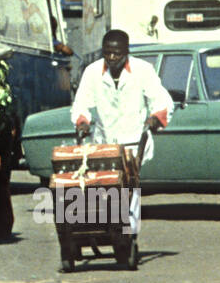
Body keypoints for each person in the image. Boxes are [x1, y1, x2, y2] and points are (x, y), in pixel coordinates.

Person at [69, 29, 173, 241]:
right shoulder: (92, 71)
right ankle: (106, 229)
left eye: (117, 53)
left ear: (126, 52)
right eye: (108, 53)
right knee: (104, 184)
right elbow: (81, 103)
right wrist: (82, 122)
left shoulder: (143, 70)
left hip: (133, 140)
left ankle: (129, 235)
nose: (112, 58)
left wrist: (155, 118)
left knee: (130, 184)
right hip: (104, 140)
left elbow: (162, 100)